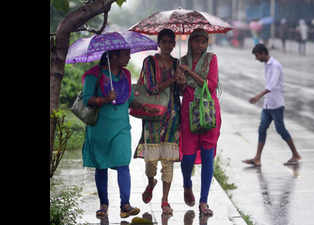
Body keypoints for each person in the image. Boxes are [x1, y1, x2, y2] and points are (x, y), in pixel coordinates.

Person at [82, 49, 153, 219]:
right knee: (101, 166)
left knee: (123, 162)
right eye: (126, 54)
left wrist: (142, 106)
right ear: (113, 57)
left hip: (121, 127)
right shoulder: (94, 75)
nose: (129, 57)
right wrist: (105, 99)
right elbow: (87, 99)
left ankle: (125, 205)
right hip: (100, 128)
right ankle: (103, 205)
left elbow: (127, 98)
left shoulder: (126, 75)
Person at [133, 29, 181, 215]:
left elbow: (181, 91)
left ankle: (165, 200)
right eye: (164, 41)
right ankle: (151, 181)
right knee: (151, 161)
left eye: (171, 42)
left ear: (174, 44)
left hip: (173, 117)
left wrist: (182, 81)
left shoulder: (178, 64)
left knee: (168, 160)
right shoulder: (150, 62)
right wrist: (172, 80)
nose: (168, 45)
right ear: (158, 43)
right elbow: (152, 88)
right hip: (152, 116)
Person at [177, 28, 221, 216]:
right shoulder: (181, 61)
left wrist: (189, 73)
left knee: (207, 157)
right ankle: (187, 183)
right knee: (186, 158)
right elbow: (179, 91)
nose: (200, 45)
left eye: (204, 42)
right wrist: (180, 80)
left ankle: (203, 201)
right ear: (190, 42)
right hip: (188, 114)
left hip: (208, 113)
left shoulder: (212, 59)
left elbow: (210, 85)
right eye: (197, 41)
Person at [242, 43, 301, 167]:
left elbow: (272, 85)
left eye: (257, 56)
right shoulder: (267, 65)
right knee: (262, 129)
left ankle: (295, 154)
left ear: (263, 53)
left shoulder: (275, 66)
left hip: (277, 104)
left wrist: (258, 96)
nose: (256, 58)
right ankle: (257, 158)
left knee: (281, 130)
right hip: (268, 105)